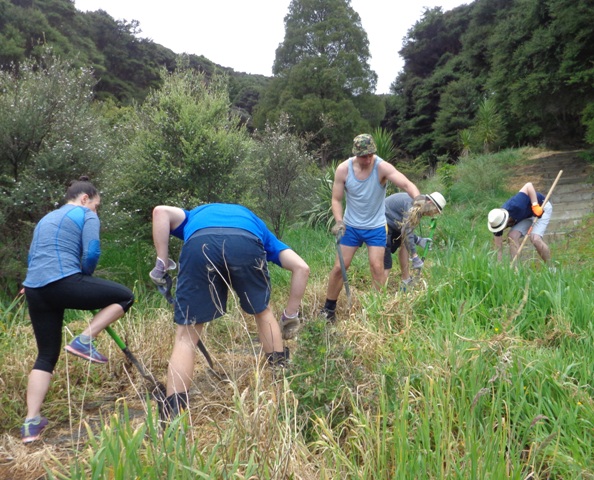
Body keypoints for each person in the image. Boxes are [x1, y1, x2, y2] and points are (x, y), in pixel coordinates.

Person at [149, 203, 310, 418]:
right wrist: (290, 315)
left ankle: (173, 415)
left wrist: (161, 262)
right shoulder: (257, 226)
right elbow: (302, 268)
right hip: (246, 241)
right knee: (263, 312)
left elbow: (160, 212)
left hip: (199, 243)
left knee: (186, 336)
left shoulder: (191, 217)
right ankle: (280, 379)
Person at [21, 177, 135, 443]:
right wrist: (85, 278)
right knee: (126, 296)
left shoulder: (46, 218)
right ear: (85, 199)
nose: (96, 209)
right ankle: (84, 340)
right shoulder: (86, 214)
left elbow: (32, 255)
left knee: (46, 355)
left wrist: (31, 282)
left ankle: (30, 422)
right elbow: (91, 251)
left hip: (35, 288)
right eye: (97, 204)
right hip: (64, 280)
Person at [320, 133, 421, 321]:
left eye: (370, 155)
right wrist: (339, 221)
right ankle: (328, 310)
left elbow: (407, 184)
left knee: (377, 267)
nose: (368, 160)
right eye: (363, 156)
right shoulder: (344, 169)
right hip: (351, 226)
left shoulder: (382, 167)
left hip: (376, 227)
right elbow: (336, 199)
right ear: (355, 154)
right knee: (340, 267)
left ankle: (376, 310)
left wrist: (418, 199)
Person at [384, 192, 446, 289]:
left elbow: (406, 231)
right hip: (382, 222)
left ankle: (405, 280)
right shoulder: (412, 205)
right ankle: (379, 292)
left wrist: (418, 240)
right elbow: (406, 231)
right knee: (386, 262)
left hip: (394, 224)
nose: (433, 214)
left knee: (405, 244)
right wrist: (415, 256)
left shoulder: (420, 205)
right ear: (430, 203)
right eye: (435, 211)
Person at [487, 182, 552, 264]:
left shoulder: (516, 205)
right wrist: (498, 264)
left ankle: (551, 267)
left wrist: (535, 205)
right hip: (526, 216)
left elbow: (528, 185)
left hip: (541, 208)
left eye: (503, 226)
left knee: (535, 238)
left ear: (506, 220)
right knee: (512, 236)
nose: (502, 229)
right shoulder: (495, 223)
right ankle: (516, 269)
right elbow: (498, 249)